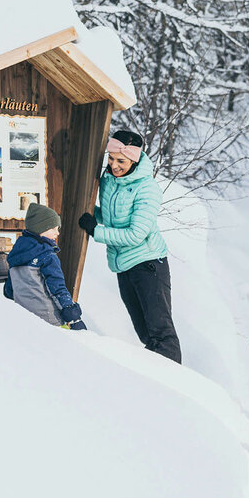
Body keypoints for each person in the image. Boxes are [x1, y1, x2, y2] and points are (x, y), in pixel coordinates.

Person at [78, 130, 181, 363]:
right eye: (111, 158)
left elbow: (136, 234)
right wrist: (91, 213)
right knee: (145, 334)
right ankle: (153, 375)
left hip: (148, 265)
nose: (114, 165)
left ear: (134, 161)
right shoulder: (108, 180)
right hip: (124, 266)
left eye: (121, 161)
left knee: (161, 333)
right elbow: (113, 217)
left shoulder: (147, 188)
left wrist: (96, 231)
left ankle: (172, 379)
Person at [4, 203, 86, 330]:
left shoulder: (16, 255)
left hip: (24, 319)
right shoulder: (47, 255)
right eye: (53, 228)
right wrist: (74, 318)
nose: (57, 233)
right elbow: (57, 289)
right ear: (40, 228)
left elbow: (9, 291)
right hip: (50, 320)